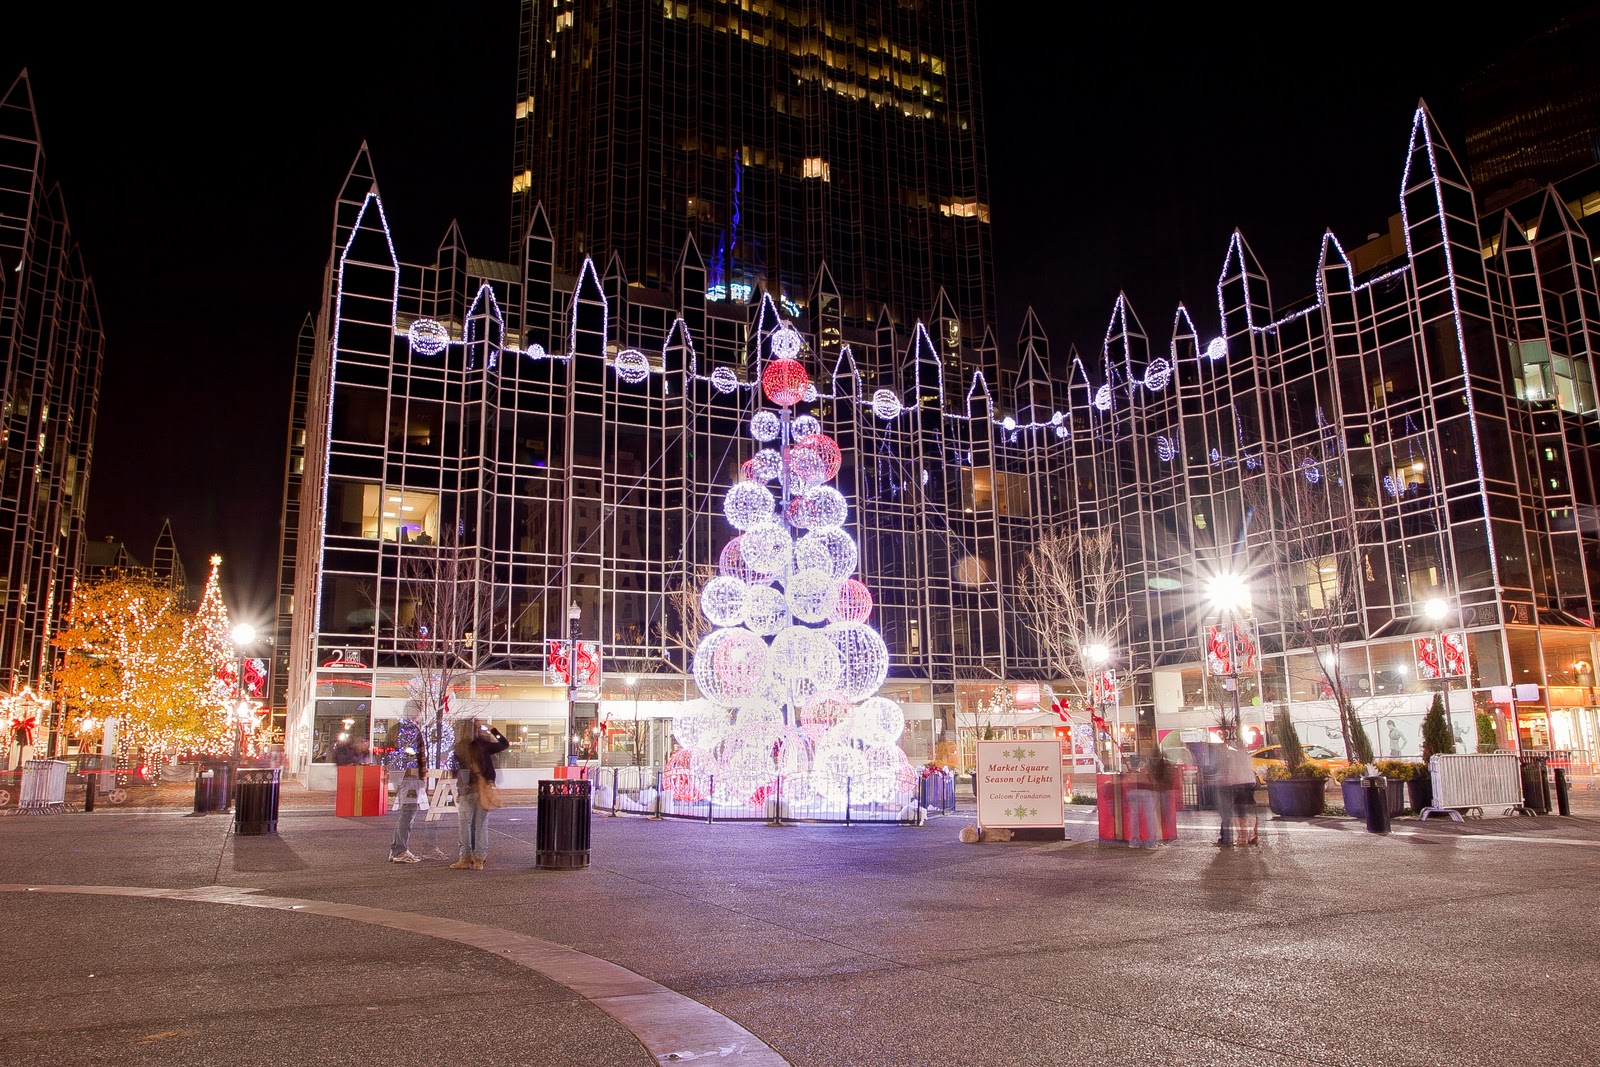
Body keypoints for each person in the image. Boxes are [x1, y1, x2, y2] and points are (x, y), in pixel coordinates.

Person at [450, 719, 510, 870]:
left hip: (466, 790)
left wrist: (459, 788)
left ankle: (464, 857)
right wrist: (493, 730)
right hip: (483, 789)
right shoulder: (483, 744)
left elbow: (454, 771)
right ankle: (479, 859)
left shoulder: (459, 747)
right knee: (480, 825)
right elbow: (504, 744)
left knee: (465, 824)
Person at [388, 768, 428, 863]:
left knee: (405, 814)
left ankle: (396, 850)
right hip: (410, 779)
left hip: (406, 778)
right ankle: (400, 851)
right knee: (407, 814)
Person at [1125, 744, 1161, 849]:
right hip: (1147, 790)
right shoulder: (1152, 765)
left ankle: (1134, 840)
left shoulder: (1139, 765)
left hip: (1134, 789)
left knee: (1134, 815)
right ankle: (1152, 841)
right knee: (1150, 815)